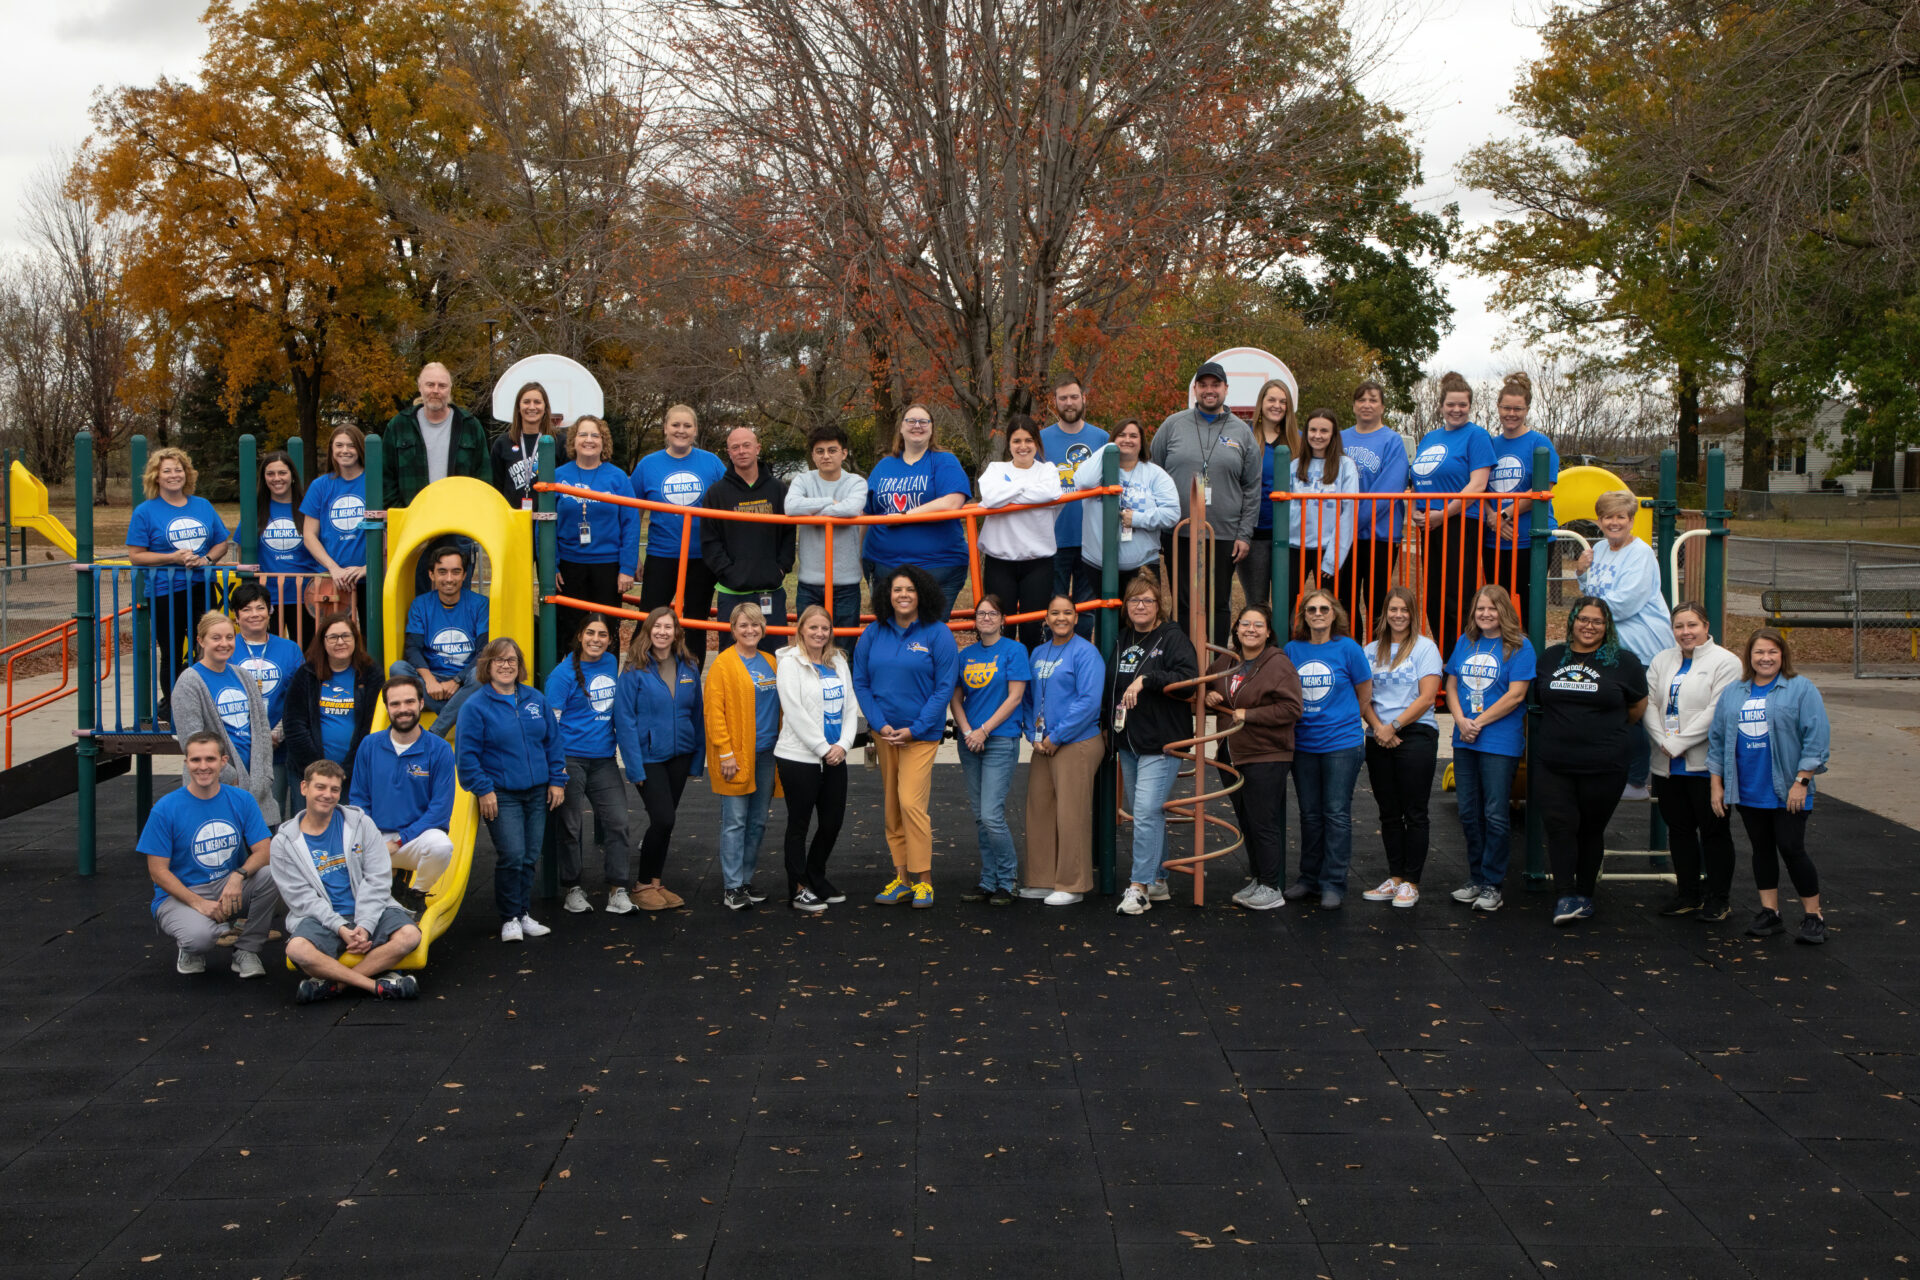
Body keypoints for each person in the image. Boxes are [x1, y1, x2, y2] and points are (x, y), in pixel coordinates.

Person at [1708, 629, 1832, 944]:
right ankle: (1770, 913)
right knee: (1761, 850)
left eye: (1772, 652)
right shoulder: (1734, 692)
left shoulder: (1801, 689)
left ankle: (1813, 916)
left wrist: (1802, 781)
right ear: (1749, 657)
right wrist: (1717, 785)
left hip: (1787, 787)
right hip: (1749, 787)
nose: (1765, 658)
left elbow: (1816, 738)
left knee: (1791, 848)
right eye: (1759, 652)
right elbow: (1718, 741)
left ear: (1782, 655)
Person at [1533, 597, 1648, 926]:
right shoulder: (1551, 658)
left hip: (1604, 764)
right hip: (1554, 762)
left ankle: (1584, 894)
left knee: (1590, 829)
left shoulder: (1624, 662)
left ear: (1607, 626)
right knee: (1559, 826)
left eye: (1597, 621)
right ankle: (1565, 894)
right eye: (1583, 619)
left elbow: (1637, 707)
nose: (1589, 626)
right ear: (1572, 621)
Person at [852, 565, 960, 907]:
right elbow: (861, 682)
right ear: (887, 595)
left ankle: (923, 880)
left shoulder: (937, 633)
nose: (903, 595)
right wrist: (879, 723)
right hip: (884, 735)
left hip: (920, 736)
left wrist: (915, 727)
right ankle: (900, 878)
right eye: (897, 589)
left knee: (911, 803)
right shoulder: (873, 633)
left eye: (910, 590)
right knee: (892, 808)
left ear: (921, 594)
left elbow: (944, 688)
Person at [272, 759, 422, 1004]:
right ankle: (375, 985)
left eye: (334, 789)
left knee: (410, 936)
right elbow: (301, 898)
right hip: (322, 917)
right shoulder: (284, 842)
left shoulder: (361, 825)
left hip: (371, 909)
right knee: (296, 949)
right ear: (304, 788)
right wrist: (340, 927)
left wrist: (365, 924)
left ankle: (335, 985)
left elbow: (378, 878)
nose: (327, 795)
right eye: (320, 787)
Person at [138, 730, 278, 979]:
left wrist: (238, 876)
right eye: (195, 760)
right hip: (182, 893)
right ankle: (191, 947)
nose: (203, 767)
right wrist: (198, 903)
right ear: (186, 763)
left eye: (210, 759)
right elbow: (157, 871)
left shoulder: (241, 799)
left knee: (271, 875)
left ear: (223, 761)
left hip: (227, 885)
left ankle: (247, 950)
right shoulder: (165, 808)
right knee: (199, 939)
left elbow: (264, 850)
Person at [455, 637, 567, 943]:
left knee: (530, 855)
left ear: (519, 666)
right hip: (501, 793)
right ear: (487, 666)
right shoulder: (475, 707)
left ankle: (523, 913)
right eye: (499, 660)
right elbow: (466, 757)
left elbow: (553, 742)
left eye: (512, 661)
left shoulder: (535, 700)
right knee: (512, 855)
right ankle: (509, 918)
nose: (506, 666)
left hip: (537, 791)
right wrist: (483, 790)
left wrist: (557, 779)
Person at [1644, 603, 1744, 920]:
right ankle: (1688, 893)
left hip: (1706, 766)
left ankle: (1719, 898)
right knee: (1680, 830)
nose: (1685, 632)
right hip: (1667, 763)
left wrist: (1679, 742)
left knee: (1714, 831)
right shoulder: (1662, 660)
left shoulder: (1726, 662)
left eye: (1692, 625)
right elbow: (1649, 703)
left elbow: (1716, 711)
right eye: (1679, 626)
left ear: (1705, 625)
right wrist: (1663, 741)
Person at [1151, 361, 1261, 645]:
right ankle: (1184, 663)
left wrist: (1244, 534)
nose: (1209, 391)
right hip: (1180, 532)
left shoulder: (1242, 433)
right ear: (1195, 389)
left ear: (1225, 389)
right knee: (1184, 602)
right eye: (1203, 385)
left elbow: (1251, 487)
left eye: (1215, 385)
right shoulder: (1172, 425)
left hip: (1223, 533)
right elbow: (1154, 473)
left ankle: (1214, 668)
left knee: (1218, 603)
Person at [1444, 584, 1537, 913]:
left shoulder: (1519, 646)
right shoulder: (1466, 641)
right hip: (1465, 737)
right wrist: (1460, 719)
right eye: (1480, 608)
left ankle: (1492, 884)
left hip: (1498, 740)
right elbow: (1451, 683)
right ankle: (1475, 877)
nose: (1485, 614)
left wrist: (1478, 721)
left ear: (1504, 612)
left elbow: (1515, 696)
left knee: (1495, 814)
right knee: (1469, 813)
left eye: (1492, 608)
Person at [1574, 489, 1672, 800]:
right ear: (1599, 521)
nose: (1614, 522)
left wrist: (1586, 619)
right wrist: (1580, 572)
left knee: (1636, 711)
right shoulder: (1598, 550)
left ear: (1631, 520)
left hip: (1642, 643)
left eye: (1621, 517)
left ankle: (1637, 778)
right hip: (1612, 644)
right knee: (1611, 709)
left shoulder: (1641, 553)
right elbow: (1591, 590)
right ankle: (1619, 772)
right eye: (1607, 517)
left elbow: (1625, 602)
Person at [1111, 575, 1200, 916]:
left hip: (1162, 743)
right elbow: (1113, 689)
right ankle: (1159, 878)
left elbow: (1188, 680)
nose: (1141, 606)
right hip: (1129, 740)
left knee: (1147, 812)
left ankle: (1139, 887)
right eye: (1134, 601)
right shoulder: (1123, 640)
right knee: (1147, 813)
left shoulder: (1173, 638)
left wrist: (1148, 679)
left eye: (1147, 600)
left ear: (1159, 604)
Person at [1207, 604, 1304, 912]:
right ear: (1236, 628)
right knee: (1247, 821)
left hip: (1265, 753)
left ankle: (1272, 887)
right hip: (1232, 754)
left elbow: (1292, 709)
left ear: (1268, 632)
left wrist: (1250, 714)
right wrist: (1208, 696)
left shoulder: (1278, 664)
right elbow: (1205, 689)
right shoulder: (1227, 661)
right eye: (1245, 624)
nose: (1250, 629)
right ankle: (1260, 878)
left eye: (1258, 625)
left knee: (1263, 822)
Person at [1282, 589, 1374, 909]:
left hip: (1341, 745)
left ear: (1334, 614)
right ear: (1304, 616)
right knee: (1309, 814)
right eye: (1311, 609)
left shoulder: (1348, 648)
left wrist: (1345, 721)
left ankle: (1333, 882)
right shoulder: (1292, 650)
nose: (1318, 613)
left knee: (1335, 813)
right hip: (1304, 744)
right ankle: (1308, 878)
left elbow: (1364, 692)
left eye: (1324, 608)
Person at [614, 607, 705, 911]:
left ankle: (656, 882)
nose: (663, 632)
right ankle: (641, 884)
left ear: (676, 632)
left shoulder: (689, 666)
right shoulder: (634, 669)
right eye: (657, 627)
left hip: (680, 754)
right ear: (648, 630)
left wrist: (697, 759)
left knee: (667, 822)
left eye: (669, 627)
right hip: (648, 757)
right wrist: (634, 766)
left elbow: (696, 714)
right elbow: (624, 720)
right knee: (663, 818)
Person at [126, 446, 232, 703]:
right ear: (156, 477)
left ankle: (209, 701)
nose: (174, 475)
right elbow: (136, 555)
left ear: (187, 474)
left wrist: (206, 559)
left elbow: (222, 542)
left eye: (179, 469)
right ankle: (175, 706)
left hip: (201, 586)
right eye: (167, 471)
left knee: (208, 648)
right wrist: (172, 558)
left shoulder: (202, 505)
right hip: (165, 592)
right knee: (172, 653)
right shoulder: (146, 511)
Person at [1359, 587, 1443, 909]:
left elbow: (1426, 697)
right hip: (1379, 734)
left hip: (1416, 733)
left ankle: (1411, 881)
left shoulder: (1425, 648)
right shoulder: (1370, 650)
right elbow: (1363, 696)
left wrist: (1393, 727)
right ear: (1385, 612)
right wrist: (1379, 728)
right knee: (1389, 811)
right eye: (1393, 609)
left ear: (1413, 614)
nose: (1398, 615)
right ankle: (1395, 876)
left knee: (1415, 811)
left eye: (1404, 610)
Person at [546, 616, 635, 915]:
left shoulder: (610, 662)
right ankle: (573, 888)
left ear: (610, 639)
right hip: (570, 758)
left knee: (618, 822)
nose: (596, 639)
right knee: (571, 826)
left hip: (604, 759)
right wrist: (556, 770)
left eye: (602, 634)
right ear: (580, 636)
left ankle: (617, 889)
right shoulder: (562, 675)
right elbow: (552, 725)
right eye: (590, 633)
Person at [1021, 595, 1107, 906]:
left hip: (1076, 741)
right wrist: (1032, 733)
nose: (1061, 618)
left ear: (1075, 618)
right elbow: (1028, 697)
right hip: (1043, 743)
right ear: (1046, 618)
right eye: (1054, 613)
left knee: (1071, 813)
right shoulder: (1038, 653)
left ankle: (1072, 884)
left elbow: (1088, 701)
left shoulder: (1086, 653)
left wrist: (1056, 737)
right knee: (1039, 809)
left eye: (1067, 613)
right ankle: (1043, 879)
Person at [348, 675, 457, 912]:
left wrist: (399, 841)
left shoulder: (439, 749)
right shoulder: (369, 744)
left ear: (420, 703)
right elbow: (358, 799)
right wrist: (374, 839)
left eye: (409, 702)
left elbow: (439, 811)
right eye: (395, 704)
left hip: (412, 842)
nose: (403, 709)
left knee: (441, 845)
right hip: (373, 838)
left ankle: (415, 893)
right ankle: (383, 887)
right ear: (387, 708)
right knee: (336, 852)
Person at [775, 605, 857, 912]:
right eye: (813, 628)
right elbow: (793, 711)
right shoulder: (789, 662)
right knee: (799, 823)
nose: (819, 633)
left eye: (825, 628)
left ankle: (815, 875)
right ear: (801, 629)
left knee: (832, 821)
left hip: (836, 755)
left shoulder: (838, 660)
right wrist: (823, 747)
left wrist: (844, 745)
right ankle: (797, 888)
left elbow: (849, 705)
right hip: (798, 757)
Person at [948, 595, 1029, 906]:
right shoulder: (964, 655)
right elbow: (956, 698)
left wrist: (984, 730)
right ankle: (988, 880)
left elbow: (1014, 697)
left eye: (992, 613)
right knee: (981, 817)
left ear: (1002, 619)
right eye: (981, 613)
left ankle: (1008, 881)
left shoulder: (1015, 650)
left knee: (992, 815)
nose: (986, 618)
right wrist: (968, 731)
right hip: (970, 742)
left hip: (999, 739)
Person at [863, 406, 974, 623]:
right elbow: (865, 512)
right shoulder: (884, 466)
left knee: (928, 634)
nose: (917, 425)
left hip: (937, 567)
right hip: (885, 567)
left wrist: (905, 515)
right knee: (891, 632)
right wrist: (860, 560)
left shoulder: (944, 461)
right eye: (911, 420)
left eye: (923, 421)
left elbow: (952, 502)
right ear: (901, 428)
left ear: (932, 429)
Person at [1408, 371, 1494, 652]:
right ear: (1441, 406)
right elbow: (1418, 479)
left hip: (1462, 522)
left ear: (1470, 406)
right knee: (1434, 596)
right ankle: (1445, 656)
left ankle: (1465, 655)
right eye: (1450, 404)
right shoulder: (1430, 437)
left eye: (1463, 405)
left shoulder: (1477, 436)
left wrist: (1444, 514)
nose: (1456, 410)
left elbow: (1478, 484)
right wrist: (1417, 512)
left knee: (1457, 595)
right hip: (1431, 525)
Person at [632, 404, 727, 654]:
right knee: (649, 619)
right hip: (662, 554)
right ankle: (638, 675)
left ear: (695, 430)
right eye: (675, 425)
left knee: (695, 622)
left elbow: (728, 504)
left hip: (702, 557)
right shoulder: (648, 465)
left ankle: (691, 681)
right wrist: (632, 555)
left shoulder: (712, 463)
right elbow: (632, 512)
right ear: (665, 428)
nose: (681, 430)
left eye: (687, 425)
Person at [705, 602, 781, 910]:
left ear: (763, 628)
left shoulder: (771, 662)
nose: (750, 630)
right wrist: (725, 753)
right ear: (733, 629)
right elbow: (713, 713)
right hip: (736, 755)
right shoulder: (724, 664)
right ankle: (732, 886)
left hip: (766, 754)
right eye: (743, 625)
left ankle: (746, 880)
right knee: (735, 820)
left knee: (758, 821)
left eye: (755, 624)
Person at [171, 611, 279, 824]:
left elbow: (261, 728)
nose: (224, 643)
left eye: (229, 637)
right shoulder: (190, 682)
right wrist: (233, 778)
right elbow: (192, 741)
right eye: (216, 638)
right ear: (201, 641)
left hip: (258, 788)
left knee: (261, 852)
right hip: (215, 785)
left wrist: (264, 775)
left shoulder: (243, 675)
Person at [553, 415, 639, 656]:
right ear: (573, 440)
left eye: (595, 435)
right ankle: (570, 681)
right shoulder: (558, 475)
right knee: (570, 628)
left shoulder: (617, 477)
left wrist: (627, 567)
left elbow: (631, 522)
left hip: (607, 565)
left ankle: (606, 682)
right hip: (570, 565)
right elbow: (545, 523)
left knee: (606, 628)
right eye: (583, 434)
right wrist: (552, 563)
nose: (588, 440)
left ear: (604, 442)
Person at [1483, 372, 1560, 633]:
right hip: (1496, 540)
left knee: (1529, 607)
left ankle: (1532, 661)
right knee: (1497, 608)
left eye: (1518, 408)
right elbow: (1479, 487)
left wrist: (1503, 515)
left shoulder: (1540, 444)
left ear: (1527, 410)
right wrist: (1492, 519)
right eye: (1506, 407)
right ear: (1498, 408)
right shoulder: (1490, 444)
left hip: (1531, 539)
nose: (1511, 413)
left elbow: (1541, 490)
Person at [978, 416, 1063, 647]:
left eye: (1028, 440)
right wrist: (1026, 489)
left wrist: (1008, 492)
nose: (1023, 446)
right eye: (1016, 441)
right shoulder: (996, 468)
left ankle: (1029, 681)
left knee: (1031, 628)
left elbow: (1051, 493)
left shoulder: (1047, 470)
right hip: (1000, 561)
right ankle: (1001, 679)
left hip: (1038, 562)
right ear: (1009, 443)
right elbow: (990, 497)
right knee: (1001, 626)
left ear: (1037, 442)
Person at [390, 544, 489, 738]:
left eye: (456, 572)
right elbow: (412, 649)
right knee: (397, 669)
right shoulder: (421, 604)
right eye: (442, 572)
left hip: (464, 680)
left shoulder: (480, 604)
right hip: (430, 680)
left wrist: (456, 681)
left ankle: (435, 733)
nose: (449, 579)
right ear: (431, 575)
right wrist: (430, 682)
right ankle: (458, 711)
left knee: (481, 673)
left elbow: (484, 651)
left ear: (464, 575)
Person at [703, 426, 795, 632]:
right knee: (733, 654)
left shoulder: (778, 489)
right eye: (735, 447)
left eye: (746, 445)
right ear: (729, 453)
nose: (741, 451)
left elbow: (789, 532)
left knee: (772, 653)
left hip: (771, 590)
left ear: (757, 448)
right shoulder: (716, 493)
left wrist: (781, 568)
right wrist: (728, 572)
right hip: (732, 592)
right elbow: (710, 540)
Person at [786, 424, 869, 649]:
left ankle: (844, 684)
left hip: (846, 582)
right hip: (809, 582)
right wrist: (829, 503)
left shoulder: (856, 482)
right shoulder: (803, 480)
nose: (825, 456)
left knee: (844, 647)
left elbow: (852, 508)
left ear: (843, 453)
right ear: (813, 455)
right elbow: (791, 507)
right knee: (807, 646)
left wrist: (811, 510)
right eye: (819, 451)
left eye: (832, 450)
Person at [1041, 374, 1108, 636]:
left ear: (1084, 398)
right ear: (1055, 402)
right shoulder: (1040, 439)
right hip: (1052, 538)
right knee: (1054, 608)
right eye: (1063, 398)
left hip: (1091, 538)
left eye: (1073, 397)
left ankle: (1081, 662)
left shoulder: (1102, 438)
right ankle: (1053, 665)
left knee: (1086, 609)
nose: (1069, 403)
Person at [1073, 420, 1180, 584]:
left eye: (1133, 436)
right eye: (1121, 435)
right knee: (1098, 610)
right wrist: (1108, 449)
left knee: (1140, 610)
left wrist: (1137, 519)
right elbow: (1084, 483)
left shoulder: (1155, 474)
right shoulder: (1097, 471)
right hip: (1096, 565)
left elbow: (1172, 513)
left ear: (1141, 441)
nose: (1127, 440)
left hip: (1142, 566)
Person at [229, 582, 304, 814]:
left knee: (274, 809)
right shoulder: (227, 648)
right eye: (247, 609)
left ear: (270, 611)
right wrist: (255, 736)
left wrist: (277, 732)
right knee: (244, 813)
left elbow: (298, 696)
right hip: (240, 746)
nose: (255, 614)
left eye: (260, 608)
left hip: (277, 746)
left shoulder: (289, 648)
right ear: (236, 615)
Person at [1341, 380, 1409, 625]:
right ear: (1353, 406)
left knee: (1376, 600)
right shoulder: (1340, 438)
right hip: (1344, 538)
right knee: (1343, 600)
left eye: (1373, 400)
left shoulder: (1392, 441)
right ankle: (1350, 656)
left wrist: (1350, 523)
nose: (1366, 405)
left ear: (1382, 407)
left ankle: (1378, 655)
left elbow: (1387, 490)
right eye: (1361, 399)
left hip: (1379, 536)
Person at [284, 612, 379, 790]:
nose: (340, 642)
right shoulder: (307, 674)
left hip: (354, 775)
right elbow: (294, 725)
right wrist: (318, 770)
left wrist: (348, 769)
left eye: (345, 636)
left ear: (355, 639)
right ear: (323, 641)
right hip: (309, 773)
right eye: (333, 637)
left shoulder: (371, 674)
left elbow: (370, 727)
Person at [1284, 409, 1359, 630]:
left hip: (1327, 548)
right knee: (1286, 605)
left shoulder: (1346, 466)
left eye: (1324, 431)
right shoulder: (1294, 466)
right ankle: (1285, 655)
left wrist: (1333, 558)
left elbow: (1349, 512)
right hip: (1294, 547)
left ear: (1333, 434)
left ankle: (1335, 652)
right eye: (1313, 430)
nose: (1318, 435)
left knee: (1332, 608)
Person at [382, 362, 491, 510]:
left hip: (459, 520)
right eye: (430, 384)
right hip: (412, 521)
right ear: (420, 387)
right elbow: (386, 478)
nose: (436, 390)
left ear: (450, 389)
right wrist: (402, 513)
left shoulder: (470, 426)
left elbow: (484, 479)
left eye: (442, 386)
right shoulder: (398, 425)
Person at [1240, 377, 1300, 608]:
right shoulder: (1246, 437)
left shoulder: (1299, 441)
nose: (1277, 405)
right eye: (1271, 399)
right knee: (1257, 603)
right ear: (1261, 403)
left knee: (1287, 604)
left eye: (1283, 401)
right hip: (1255, 534)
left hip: (1289, 537)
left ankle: (1285, 646)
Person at [300, 424, 370, 621]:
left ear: (360, 449)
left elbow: (389, 530)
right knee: (335, 639)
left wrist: (367, 568)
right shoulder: (320, 486)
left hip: (370, 579)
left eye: (351, 445)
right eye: (339, 445)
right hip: (331, 580)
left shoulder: (374, 482)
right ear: (332, 449)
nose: (345, 450)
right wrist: (333, 568)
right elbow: (309, 535)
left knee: (371, 642)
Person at [255, 449, 319, 638]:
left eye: (282, 473)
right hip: (268, 598)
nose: (277, 478)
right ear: (264, 478)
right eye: (270, 474)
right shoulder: (256, 510)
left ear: (292, 476)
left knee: (307, 653)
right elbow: (246, 552)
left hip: (304, 595)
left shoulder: (308, 507)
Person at [492, 380, 551, 510]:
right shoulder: (502, 443)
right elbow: (496, 488)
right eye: (526, 402)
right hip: (513, 521)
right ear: (518, 407)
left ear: (545, 407)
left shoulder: (557, 443)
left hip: (548, 523)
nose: (531, 407)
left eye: (537, 402)